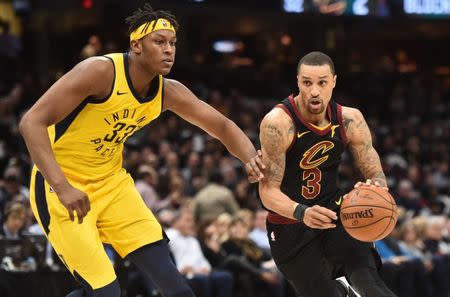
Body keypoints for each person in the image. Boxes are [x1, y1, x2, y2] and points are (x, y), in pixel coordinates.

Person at [18, 4, 265, 297]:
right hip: (60, 184)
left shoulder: (168, 91)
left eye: (172, 43)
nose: (169, 50)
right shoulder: (100, 71)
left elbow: (222, 126)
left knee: (179, 290)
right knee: (106, 292)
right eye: (159, 42)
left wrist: (252, 158)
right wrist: (61, 186)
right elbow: (31, 121)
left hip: (112, 185)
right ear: (136, 45)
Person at [258, 51, 397, 297]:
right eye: (307, 82)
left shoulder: (350, 119)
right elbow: (267, 193)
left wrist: (376, 188)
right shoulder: (278, 123)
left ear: (333, 81)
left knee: (372, 287)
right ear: (298, 81)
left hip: (336, 215)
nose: (314, 91)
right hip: (290, 227)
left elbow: (374, 171)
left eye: (322, 82)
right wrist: (303, 212)